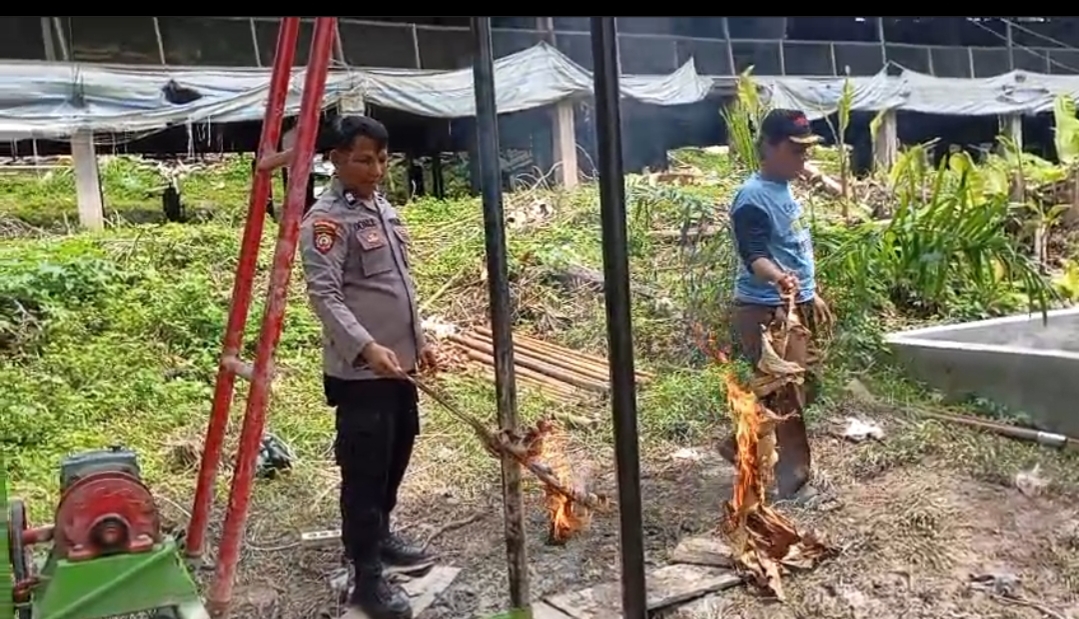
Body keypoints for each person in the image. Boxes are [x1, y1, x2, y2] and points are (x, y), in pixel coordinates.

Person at [298, 115, 437, 619]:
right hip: (362, 375)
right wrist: (365, 347)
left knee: (396, 458)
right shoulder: (325, 221)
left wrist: (419, 341)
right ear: (336, 159)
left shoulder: (383, 208)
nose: (376, 170)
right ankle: (366, 577)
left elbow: (399, 284)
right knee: (364, 474)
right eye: (363, 160)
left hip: (400, 369)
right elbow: (325, 296)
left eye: (382, 159)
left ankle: (380, 537)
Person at [719, 108, 832, 502]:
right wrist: (780, 279)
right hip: (766, 311)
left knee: (800, 385)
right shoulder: (752, 198)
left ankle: (739, 444)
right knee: (788, 397)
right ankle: (795, 483)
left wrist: (810, 292)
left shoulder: (784, 188)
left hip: (793, 305)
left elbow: (792, 249)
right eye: (795, 150)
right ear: (768, 146)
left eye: (806, 150)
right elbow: (754, 256)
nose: (804, 158)